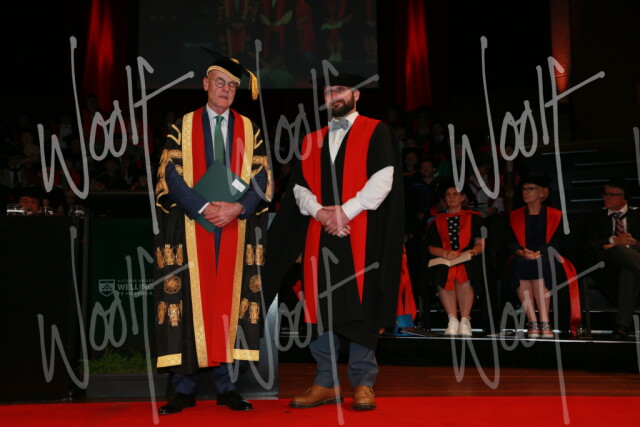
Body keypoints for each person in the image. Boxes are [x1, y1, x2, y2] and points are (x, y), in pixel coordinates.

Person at [264, 72, 404, 411]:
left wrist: (345, 212)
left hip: (362, 232)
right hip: (320, 233)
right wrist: (321, 213)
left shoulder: (377, 130)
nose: (334, 95)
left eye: (340, 90)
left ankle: (363, 382)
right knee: (319, 305)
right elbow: (298, 187)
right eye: (328, 91)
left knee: (362, 304)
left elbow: (383, 179)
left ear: (356, 95)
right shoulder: (311, 139)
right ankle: (325, 382)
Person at [153, 51, 272, 415]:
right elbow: (170, 174)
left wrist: (237, 208)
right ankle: (183, 388)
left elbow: (262, 176)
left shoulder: (249, 129)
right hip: (192, 228)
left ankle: (227, 386)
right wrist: (203, 207)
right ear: (205, 84)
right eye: (220, 82)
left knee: (228, 302)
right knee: (190, 301)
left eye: (232, 85)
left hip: (235, 228)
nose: (226, 89)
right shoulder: (183, 126)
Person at [507, 176, 581, 339]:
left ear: (542, 193)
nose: (525, 192)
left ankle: (545, 320)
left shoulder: (556, 215)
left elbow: (559, 242)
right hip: (522, 256)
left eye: (530, 189)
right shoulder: (515, 216)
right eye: (524, 189)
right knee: (519, 264)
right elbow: (509, 242)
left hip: (549, 256)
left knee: (540, 264)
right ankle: (532, 321)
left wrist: (539, 253)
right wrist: (522, 252)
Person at [426, 181, 484, 337]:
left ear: (463, 197)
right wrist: (446, 253)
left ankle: (465, 320)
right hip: (444, 258)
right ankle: (452, 320)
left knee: (463, 270)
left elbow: (480, 243)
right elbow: (430, 247)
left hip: (468, 257)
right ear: (444, 198)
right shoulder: (435, 220)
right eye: (448, 195)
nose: (451, 197)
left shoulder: (475, 218)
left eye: (455, 194)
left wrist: (473, 252)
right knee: (444, 270)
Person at [587, 179, 640, 340]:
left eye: (611, 195)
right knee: (619, 248)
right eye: (605, 194)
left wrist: (633, 243)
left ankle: (622, 326)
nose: (606, 197)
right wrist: (614, 241)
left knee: (628, 271)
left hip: (633, 262)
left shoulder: (638, 214)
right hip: (606, 263)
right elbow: (589, 245)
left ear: (624, 198)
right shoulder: (596, 216)